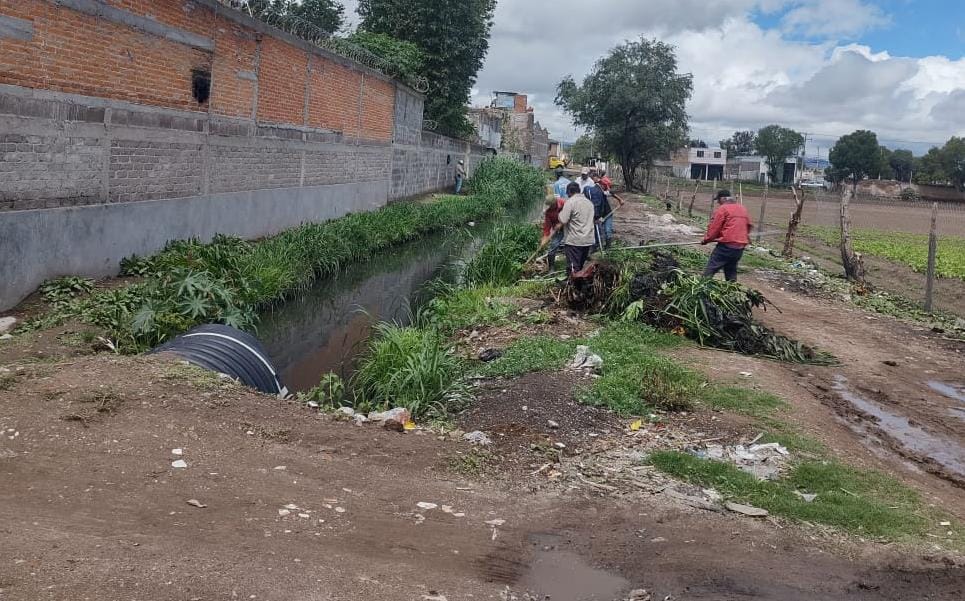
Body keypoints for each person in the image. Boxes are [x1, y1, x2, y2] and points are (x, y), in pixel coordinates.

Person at [702, 189, 753, 281]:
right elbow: (748, 226)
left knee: (710, 269)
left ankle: (700, 288)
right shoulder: (742, 208)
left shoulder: (723, 209)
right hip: (739, 248)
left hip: (726, 246)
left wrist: (706, 240)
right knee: (731, 271)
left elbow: (714, 228)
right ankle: (732, 291)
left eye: (718, 200)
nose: (718, 202)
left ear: (723, 198)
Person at [554, 182, 596, 274]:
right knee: (580, 267)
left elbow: (563, 219)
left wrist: (559, 213)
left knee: (574, 269)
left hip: (574, 241)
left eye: (567, 193)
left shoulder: (570, 202)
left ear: (570, 192)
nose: (567, 195)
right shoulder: (589, 203)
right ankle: (580, 285)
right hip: (587, 240)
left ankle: (575, 286)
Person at [583, 173, 611, 249]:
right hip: (598, 214)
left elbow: (611, 193)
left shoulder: (603, 191)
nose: (607, 189)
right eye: (605, 187)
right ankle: (596, 245)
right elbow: (597, 206)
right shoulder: (596, 191)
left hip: (606, 213)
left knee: (607, 231)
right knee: (597, 229)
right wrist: (597, 217)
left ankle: (606, 246)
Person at [542, 192, 566, 271]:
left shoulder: (563, 203)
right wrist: (545, 238)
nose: (549, 207)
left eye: (551, 206)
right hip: (557, 230)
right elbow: (547, 226)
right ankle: (551, 267)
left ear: (554, 203)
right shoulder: (548, 212)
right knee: (552, 247)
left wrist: (561, 223)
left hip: (569, 227)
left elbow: (571, 214)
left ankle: (573, 265)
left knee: (572, 246)